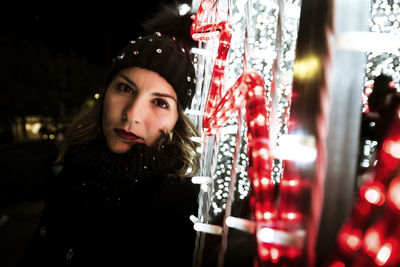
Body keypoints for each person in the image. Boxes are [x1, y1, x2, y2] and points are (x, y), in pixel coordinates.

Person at [18, 32, 201, 267]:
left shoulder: (176, 206)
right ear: (105, 95)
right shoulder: (74, 167)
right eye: (125, 88)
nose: (132, 114)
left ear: (177, 121)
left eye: (160, 102)